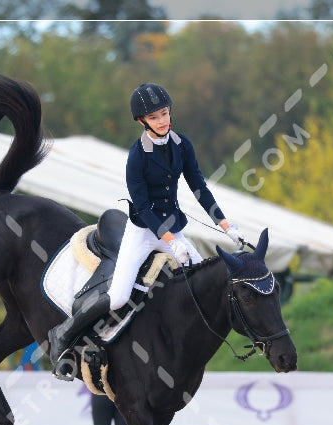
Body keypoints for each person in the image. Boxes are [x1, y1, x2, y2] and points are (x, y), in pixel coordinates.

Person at [48, 82, 245, 376]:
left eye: (164, 113)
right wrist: (169, 240)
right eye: (154, 117)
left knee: (204, 278)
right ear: (142, 121)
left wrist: (226, 226)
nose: (163, 120)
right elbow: (142, 207)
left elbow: (199, 188)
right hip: (142, 232)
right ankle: (63, 333)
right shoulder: (137, 155)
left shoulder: (182, 145)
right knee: (118, 296)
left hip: (173, 231)